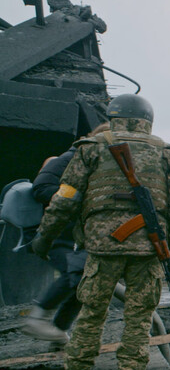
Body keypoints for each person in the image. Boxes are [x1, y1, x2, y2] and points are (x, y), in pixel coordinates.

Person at [30, 94, 170, 370]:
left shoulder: (89, 149)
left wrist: (44, 238)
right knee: (138, 320)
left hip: (101, 248)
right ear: (148, 121)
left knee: (91, 316)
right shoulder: (167, 154)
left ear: (113, 116)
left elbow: (64, 199)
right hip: (147, 250)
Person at [21, 123, 110, 344]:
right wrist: (80, 199)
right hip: (52, 231)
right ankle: (37, 320)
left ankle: (59, 331)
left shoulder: (98, 163)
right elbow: (41, 188)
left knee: (85, 281)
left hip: (74, 236)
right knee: (78, 273)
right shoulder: (71, 158)